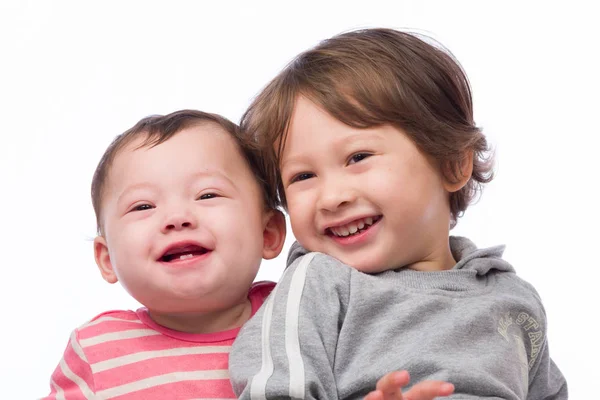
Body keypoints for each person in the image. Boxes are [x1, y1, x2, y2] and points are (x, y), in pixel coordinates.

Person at [229, 28, 568, 399]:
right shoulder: (317, 284)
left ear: (453, 164)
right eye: (303, 176)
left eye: (358, 157)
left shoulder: (512, 296)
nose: (331, 197)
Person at [42, 110, 286, 399]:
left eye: (207, 195)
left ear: (267, 233)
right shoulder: (98, 350)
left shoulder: (299, 315)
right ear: (107, 259)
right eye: (143, 207)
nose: (177, 217)